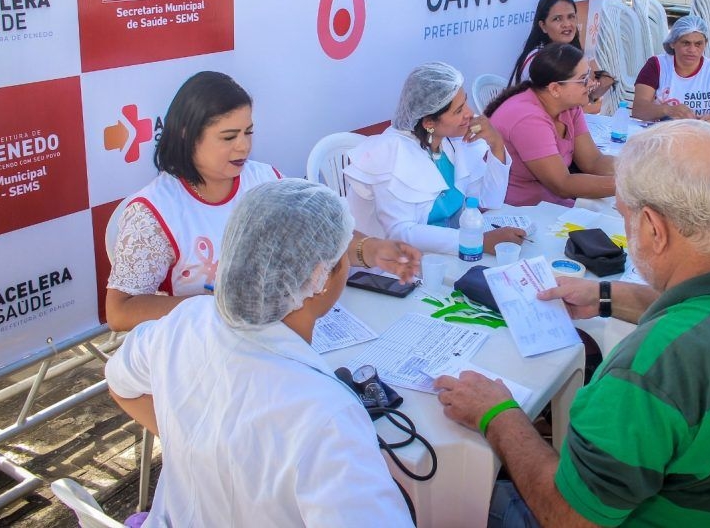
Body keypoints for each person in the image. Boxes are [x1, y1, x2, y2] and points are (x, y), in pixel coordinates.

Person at [436, 120, 710, 526]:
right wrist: (603, 296)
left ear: (654, 227)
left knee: (462, 494)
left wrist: (500, 415)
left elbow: (569, 517)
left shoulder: (652, 368)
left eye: (625, 216)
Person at [105, 179, 413, 527]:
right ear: (324, 276)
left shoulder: (182, 322)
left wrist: (196, 442)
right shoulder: (329, 416)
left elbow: (119, 383)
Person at [106, 71, 420, 331]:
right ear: (188, 135)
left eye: (248, 132)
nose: (243, 147)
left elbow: (319, 236)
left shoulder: (264, 179)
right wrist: (225, 309)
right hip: (209, 345)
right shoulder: (154, 212)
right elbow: (121, 311)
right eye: (228, 137)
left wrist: (372, 249)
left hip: (279, 333)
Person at [344, 62, 523, 255]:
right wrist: (473, 241)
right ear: (429, 122)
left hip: (442, 258)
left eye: (466, 103)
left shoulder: (451, 143)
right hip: (393, 271)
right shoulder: (392, 154)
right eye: (459, 110)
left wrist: (496, 144)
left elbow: (490, 200)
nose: (470, 114)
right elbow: (400, 232)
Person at [487, 43, 616, 207]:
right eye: (583, 79)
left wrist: (637, 169)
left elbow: (594, 161)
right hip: (516, 213)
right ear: (555, 89)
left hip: (551, 205)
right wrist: (628, 185)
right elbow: (562, 185)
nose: (591, 83)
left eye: (589, 75)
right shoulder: (528, 119)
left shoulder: (570, 106)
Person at [509, 0, 615, 114]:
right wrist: (590, 106)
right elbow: (549, 109)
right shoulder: (537, 59)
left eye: (571, 17)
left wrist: (593, 95)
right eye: (557, 19)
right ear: (543, 26)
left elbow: (579, 104)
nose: (567, 24)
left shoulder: (571, 52)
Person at [632, 14, 710, 131]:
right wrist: (669, 110)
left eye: (698, 44)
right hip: (661, 135)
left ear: (705, 44)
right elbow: (638, 110)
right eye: (686, 43)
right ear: (672, 43)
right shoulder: (657, 65)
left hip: (700, 137)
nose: (692, 50)